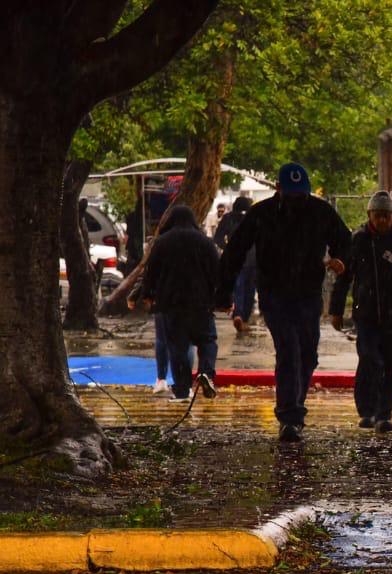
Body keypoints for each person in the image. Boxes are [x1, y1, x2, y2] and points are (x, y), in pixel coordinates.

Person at [217, 162, 351, 442]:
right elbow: (235, 252)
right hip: (274, 294)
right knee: (289, 348)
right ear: (278, 190)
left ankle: (294, 408)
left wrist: (341, 260)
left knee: (307, 354)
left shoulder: (320, 211)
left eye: (300, 196)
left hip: (308, 293)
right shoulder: (261, 214)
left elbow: (346, 242)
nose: (296, 201)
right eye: (291, 196)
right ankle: (290, 417)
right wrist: (223, 293)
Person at [327, 191, 392, 433]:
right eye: (377, 216)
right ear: (369, 215)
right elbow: (344, 278)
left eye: (386, 216)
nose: (382, 220)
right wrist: (336, 310)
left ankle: (384, 414)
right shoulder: (358, 240)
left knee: (391, 364)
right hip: (366, 315)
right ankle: (366, 410)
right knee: (370, 360)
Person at [133, 205, 219, 402]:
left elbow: (151, 271)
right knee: (207, 340)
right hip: (200, 302)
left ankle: (181, 389)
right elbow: (217, 271)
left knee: (177, 347)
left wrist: (147, 295)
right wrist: (222, 299)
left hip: (171, 303)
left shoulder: (163, 242)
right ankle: (206, 372)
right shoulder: (204, 242)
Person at [214, 196, 257, 332]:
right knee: (250, 290)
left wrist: (228, 249)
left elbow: (218, 238)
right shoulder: (254, 218)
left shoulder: (228, 218)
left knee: (238, 288)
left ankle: (238, 314)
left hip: (237, 258)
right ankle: (243, 318)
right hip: (253, 259)